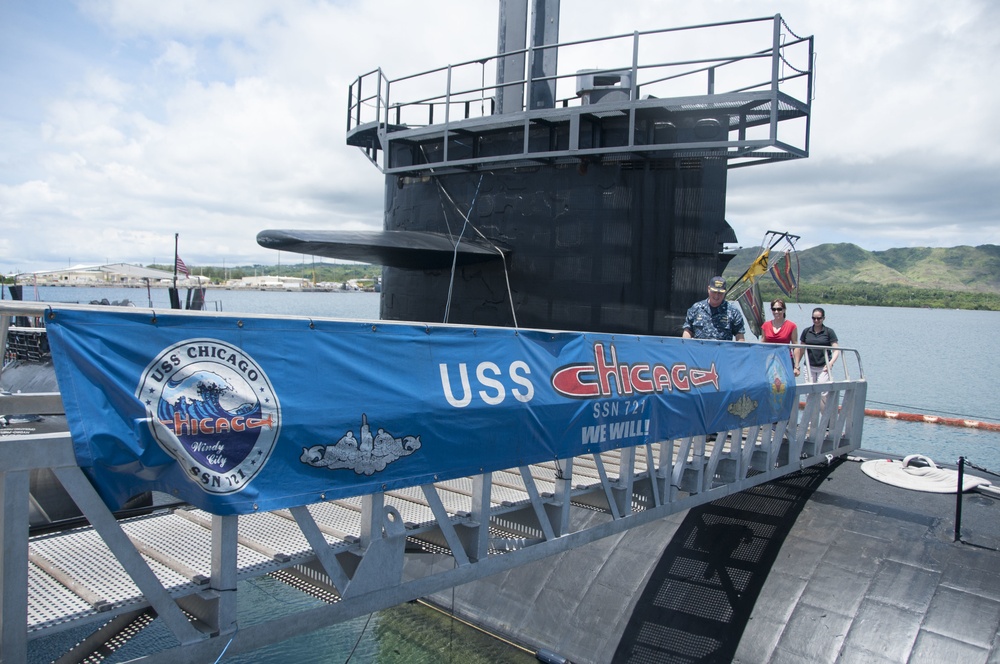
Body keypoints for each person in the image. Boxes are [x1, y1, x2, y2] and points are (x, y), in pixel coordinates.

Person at [682, 276, 746, 341]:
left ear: (725, 292)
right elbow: (688, 331)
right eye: (714, 292)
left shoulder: (733, 312)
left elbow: (740, 336)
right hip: (699, 350)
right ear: (708, 289)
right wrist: (686, 346)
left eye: (720, 293)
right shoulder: (696, 308)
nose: (716, 296)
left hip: (722, 350)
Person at [796, 307, 839, 383]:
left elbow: (836, 350)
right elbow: (801, 350)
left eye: (819, 318)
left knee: (823, 392)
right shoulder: (806, 331)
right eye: (814, 318)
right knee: (809, 392)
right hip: (809, 366)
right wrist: (796, 366)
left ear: (823, 318)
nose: (816, 320)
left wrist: (830, 363)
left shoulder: (829, 332)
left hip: (824, 366)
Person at [762, 298, 799, 376]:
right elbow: (762, 345)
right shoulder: (765, 325)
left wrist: (796, 366)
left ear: (784, 310)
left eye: (779, 309)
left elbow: (795, 346)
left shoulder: (792, 326)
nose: (776, 312)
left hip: (785, 360)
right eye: (774, 309)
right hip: (769, 360)